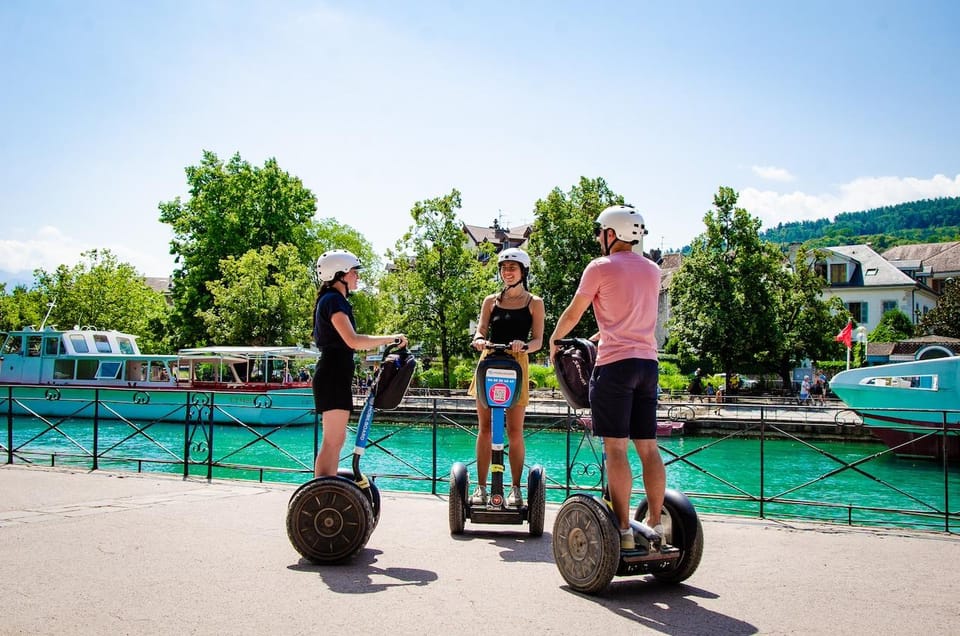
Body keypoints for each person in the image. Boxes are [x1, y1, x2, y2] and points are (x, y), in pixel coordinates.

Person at [549, 204, 664, 551]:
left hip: (615, 366)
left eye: (601, 232)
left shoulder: (599, 267)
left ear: (611, 234)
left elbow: (574, 311)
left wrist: (555, 342)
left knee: (615, 448)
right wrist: (604, 333)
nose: (600, 237)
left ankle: (623, 528)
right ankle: (657, 521)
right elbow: (632, 315)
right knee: (647, 447)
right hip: (648, 364)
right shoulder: (653, 270)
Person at [311, 249, 408, 477]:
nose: (358, 277)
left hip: (335, 374)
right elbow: (353, 340)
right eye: (355, 272)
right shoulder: (334, 301)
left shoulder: (332, 300)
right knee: (333, 441)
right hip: (333, 374)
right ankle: (321, 493)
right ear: (341, 274)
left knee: (336, 440)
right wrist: (391, 338)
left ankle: (326, 487)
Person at [468, 247, 545, 507]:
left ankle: (515, 489)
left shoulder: (534, 302)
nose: (507, 272)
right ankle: (480, 488)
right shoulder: (491, 301)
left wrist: (523, 345)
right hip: (489, 361)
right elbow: (479, 331)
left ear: (523, 271)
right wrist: (479, 341)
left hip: (517, 364)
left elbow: (538, 340)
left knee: (514, 430)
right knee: (486, 429)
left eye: (512, 268)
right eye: (503, 268)